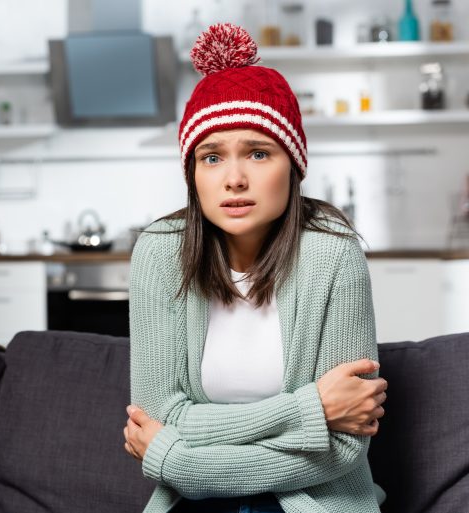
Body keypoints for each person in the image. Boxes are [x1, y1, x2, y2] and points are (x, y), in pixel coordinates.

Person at [123, 23, 388, 513]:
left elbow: (345, 448)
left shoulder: (334, 256)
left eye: (258, 153)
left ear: (293, 164)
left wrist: (178, 460)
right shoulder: (159, 253)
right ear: (193, 174)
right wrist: (311, 409)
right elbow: (157, 415)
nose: (234, 179)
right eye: (212, 157)